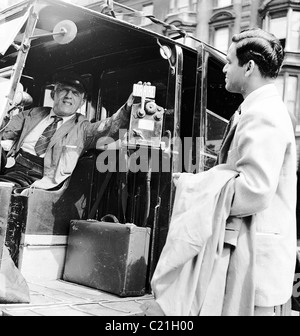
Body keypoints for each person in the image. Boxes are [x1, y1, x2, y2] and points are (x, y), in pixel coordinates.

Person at [142, 28, 297, 316]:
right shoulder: (258, 109)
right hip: (247, 252)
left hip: (255, 260)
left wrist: (196, 186)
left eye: (229, 61)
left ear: (249, 67)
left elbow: (255, 190)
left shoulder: (263, 113)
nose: (224, 68)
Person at [0, 71, 134, 192]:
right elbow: (6, 129)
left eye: (75, 93)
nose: (69, 96)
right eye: (64, 90)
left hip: (44, 179)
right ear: (53, 94)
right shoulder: (32, 113)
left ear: (82, 102)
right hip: (13, 168)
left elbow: (108, 127)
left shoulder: (83, 128)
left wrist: (127, 108)